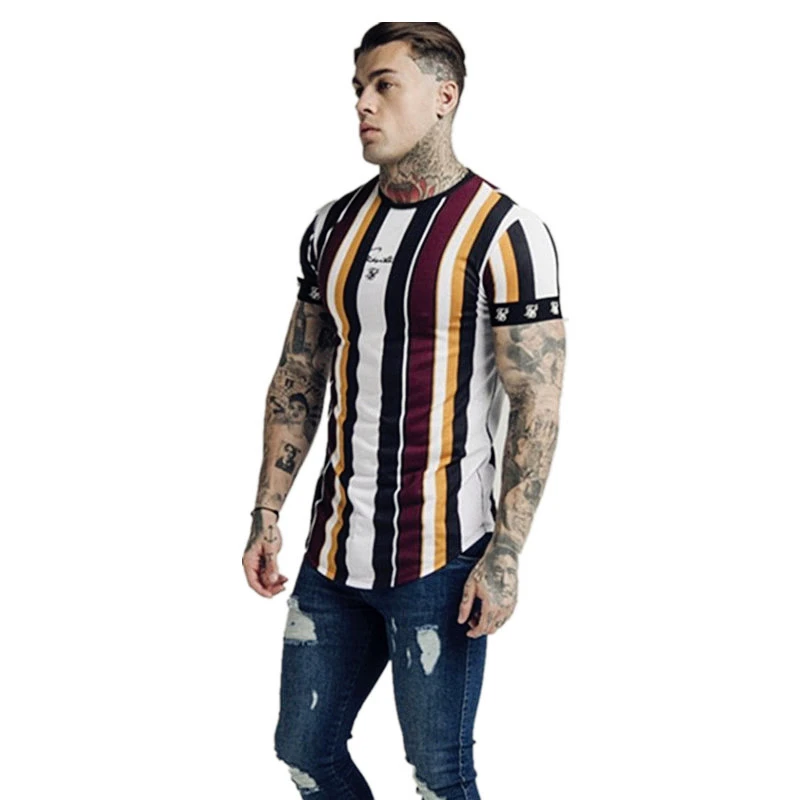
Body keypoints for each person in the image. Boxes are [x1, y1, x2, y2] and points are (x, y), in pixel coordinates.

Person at [242, 21, 567, 799]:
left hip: (442, 555)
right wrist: (266, 510)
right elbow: (298, 372)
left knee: (439, 775)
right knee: (304, 750)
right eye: (359, 88)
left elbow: (537, 400)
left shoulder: (506, 233)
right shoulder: (332, 227)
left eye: (384, 85)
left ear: (444, 96)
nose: (363, 103)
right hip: (331, 551)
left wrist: (507, 554)